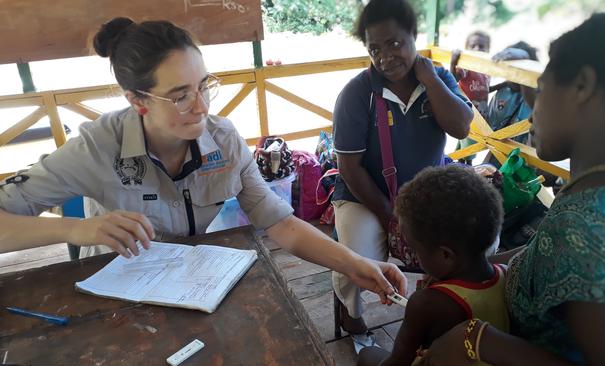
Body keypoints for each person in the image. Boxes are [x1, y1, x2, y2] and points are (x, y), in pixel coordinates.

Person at [0, 18, 407, 304]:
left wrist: (357, 264)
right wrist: (80, 229)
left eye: (204, 86)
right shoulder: (96, 147)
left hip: (194, 284)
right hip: (115, 296)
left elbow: (280, 223)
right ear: (137, 100)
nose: (201, 107)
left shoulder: (223, 140)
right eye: (179, 95)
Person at [422, 11, 605, 366]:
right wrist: (472, 267)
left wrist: (480, 341)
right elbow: (549, 254)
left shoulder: (584, 226)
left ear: (582, 86)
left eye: (540, 91)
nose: (532, 112)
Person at [331, 0, 474, 336]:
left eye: (394, 43)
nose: (384, 57)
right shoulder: (357, 94)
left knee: (468, 242)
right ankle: (351, 313)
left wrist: (430, 78)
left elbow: (461, 128)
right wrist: (391, 218)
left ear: (413, 35)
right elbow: (349, 168)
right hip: (364, 196)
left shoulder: (437, 80)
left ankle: (441, 304)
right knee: (357, 259)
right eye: (374, 48)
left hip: (426, 193)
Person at [356, 165, 509, 366]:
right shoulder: (506, 274)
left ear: (446, 255)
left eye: (415, 249)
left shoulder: (426, 303)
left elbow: (398, 361)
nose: (416, 257)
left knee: (367, 355)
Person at [450, 30, 491, 165]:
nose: (477, 49)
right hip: (467, 115)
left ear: (488, 49)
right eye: (473, 46)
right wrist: (454, 62)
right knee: (469, 151)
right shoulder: (466, 67)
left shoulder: (486, 69)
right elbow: (453, 79)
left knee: (465, 148)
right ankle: (466, 171)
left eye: (481, 46)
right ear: (467, 48)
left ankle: (458, 166)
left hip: (481, 116)